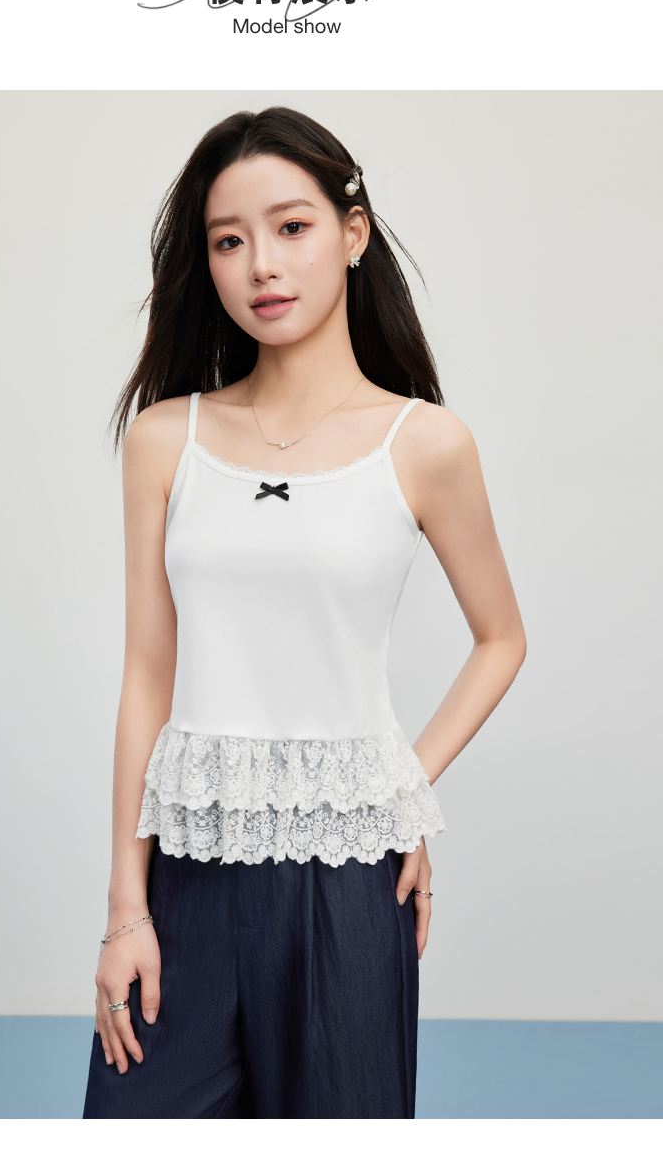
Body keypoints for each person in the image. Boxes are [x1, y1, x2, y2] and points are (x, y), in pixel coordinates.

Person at [82, 106, 526, 1119]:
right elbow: (147, 673)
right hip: (186, 879)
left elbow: (503, 638)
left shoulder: (426, 443)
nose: (262, 266)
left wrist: (401, 791)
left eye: (291, 227)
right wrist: (125, 909)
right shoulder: (165, 439)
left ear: (352, 233)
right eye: (228, 241)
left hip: (350, 886)